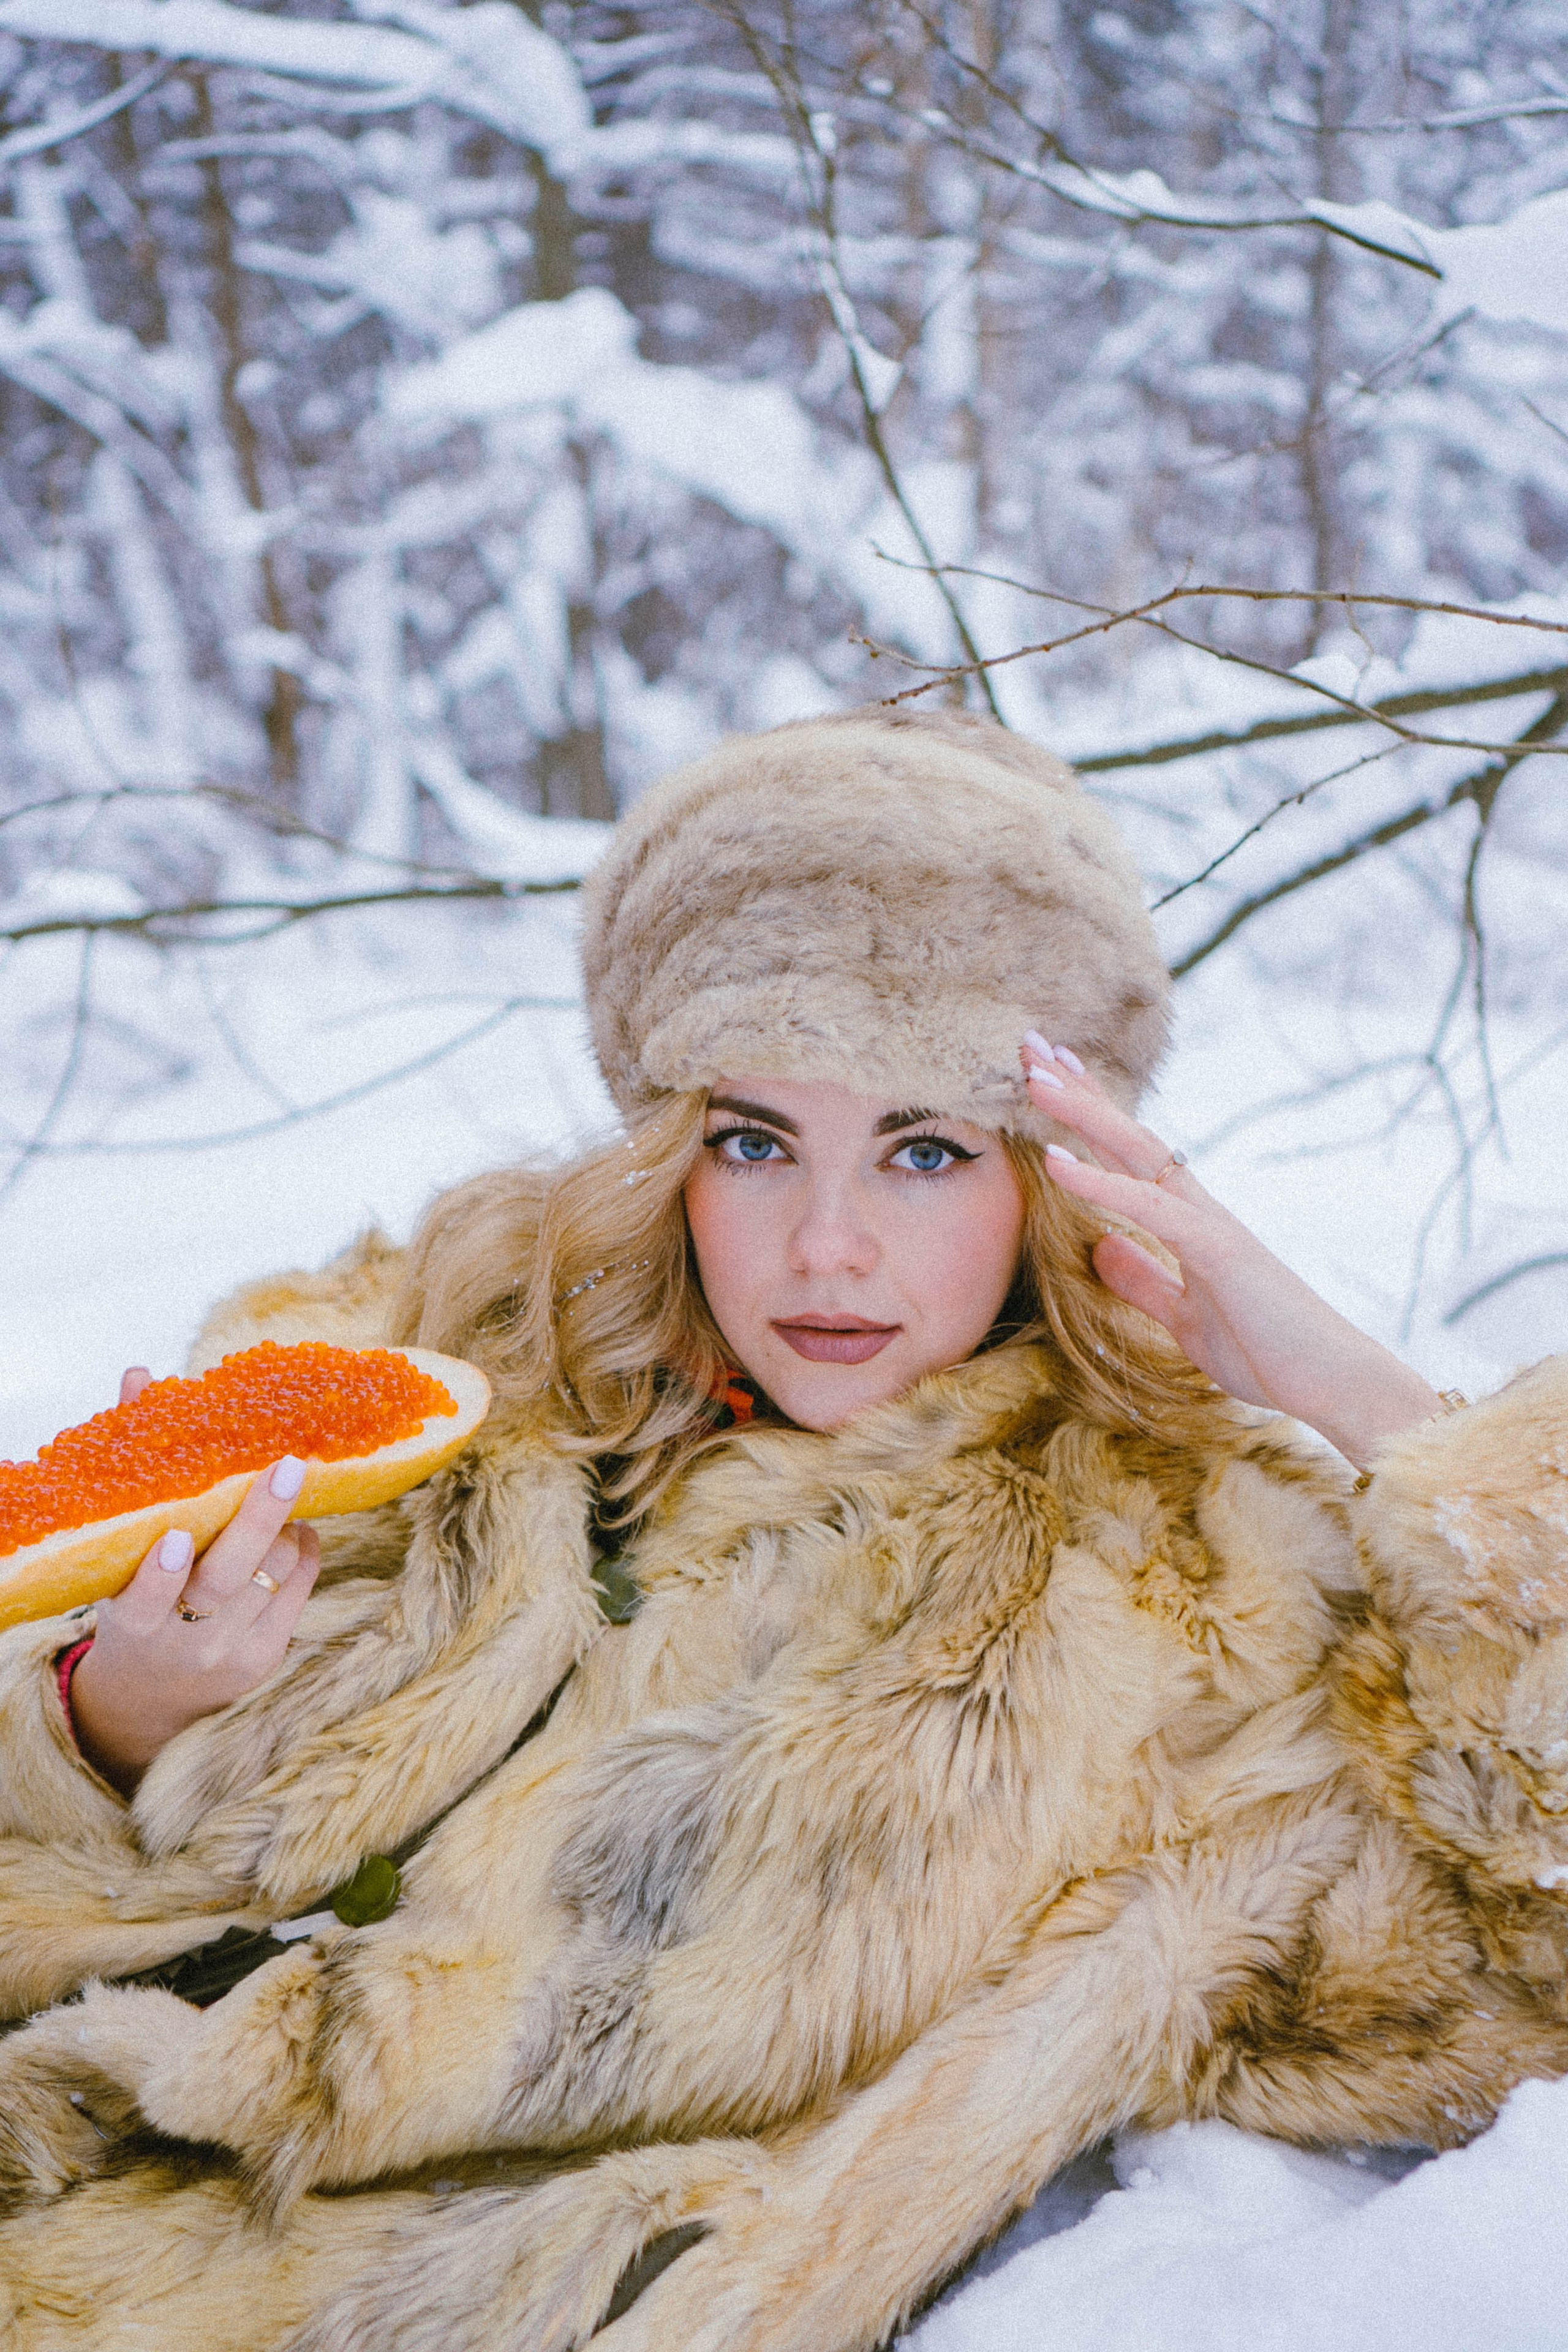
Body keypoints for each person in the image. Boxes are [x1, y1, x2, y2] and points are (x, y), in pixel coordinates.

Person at [0, 705, 1564, 2352]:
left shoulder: (1189, 1578)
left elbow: (1511, 1972)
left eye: (924, 1150)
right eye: (757, 1142)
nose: (827, 1247)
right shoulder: (420, 1362)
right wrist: (106, 1727)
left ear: (1052, 1173)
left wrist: (1381, 1410)